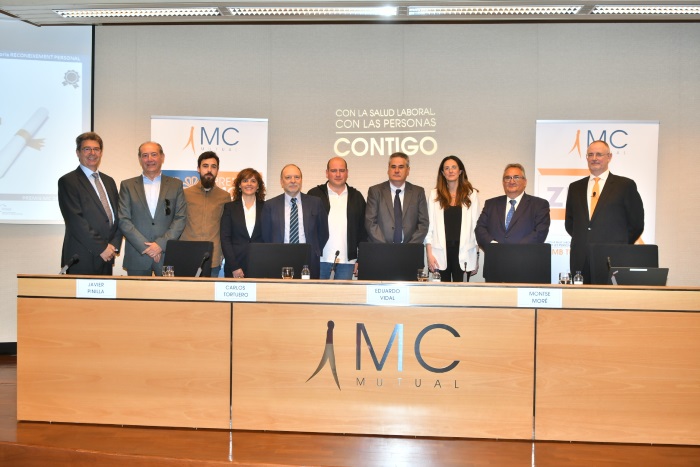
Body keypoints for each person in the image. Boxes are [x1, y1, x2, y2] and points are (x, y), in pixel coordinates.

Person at [565, 140, 644, 283]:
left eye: (599, 154)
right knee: (581, 297)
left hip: (612, 258)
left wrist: (619, 246)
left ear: (609, 157)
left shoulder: (625, 185)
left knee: (609, 297)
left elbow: (636, 223)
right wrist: (586, 239)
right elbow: (570, 223)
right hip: (581, 258)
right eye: (590, 155)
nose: (594, 158)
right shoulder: (575, 187)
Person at [57, 132, 122, 275]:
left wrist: (113, 246)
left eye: (96, 149)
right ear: (78, 153)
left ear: (101, 152)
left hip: (107, 257)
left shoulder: (109, 181)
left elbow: (118, 216)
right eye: (87, 149)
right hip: (81, 257)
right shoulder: (68, 181)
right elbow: (75, 221)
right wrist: (102, 248)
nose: (92, 153)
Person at [118, 141, 187, 276]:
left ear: (162, 157)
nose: (149, 159)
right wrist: (147, 248)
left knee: (168, 291)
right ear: (139, 159)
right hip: (138, 255)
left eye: (154, 154)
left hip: (167, 255)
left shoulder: (176, 185)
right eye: (145, 155)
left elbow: (180, 218)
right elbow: (123, 219)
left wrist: (160, 245)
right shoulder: (127, 185)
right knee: (138, 291)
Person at [261, 164, 329, 279]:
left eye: (297, 177)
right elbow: (266, 235)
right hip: (278, 259)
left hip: (308, 260)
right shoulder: (270, 205)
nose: (293, 181)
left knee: (307, 290)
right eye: (288, 177)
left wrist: (315, 251)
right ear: (281, 182)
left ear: (301, 180)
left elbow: (323, 232)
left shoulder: (315, 203)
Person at [307, 157, 367, 279]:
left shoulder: (356, 196)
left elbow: (363, 231)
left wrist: (361, 258)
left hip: (347, 261)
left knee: (343, 292)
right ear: (327, 173)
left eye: (342, 170)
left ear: (347, 173)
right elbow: (307, 228)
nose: (338, 174)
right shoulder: (314, 194)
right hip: (319, 259)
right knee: (316, 292)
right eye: (334, 170)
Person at [425, 156, 480, 282]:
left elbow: (476, 227)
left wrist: (476, 257)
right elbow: (429, 227)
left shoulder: (471, 194)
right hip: (439, 254)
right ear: (443, 173)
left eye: (454, 167)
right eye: (447, 168)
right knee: (441, 292)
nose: (450, 171)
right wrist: (429, 255)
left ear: (460, 171)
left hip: (465, 253)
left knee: (461, 292)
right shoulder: (434, 195)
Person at [180, 151, 231, 277]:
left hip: (213, 257)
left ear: (217, 170)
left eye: (213, 167)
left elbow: (226, 228)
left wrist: (222, 254)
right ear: (198, 169)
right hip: (187, 255)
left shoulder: (225, 196)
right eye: (205, 166)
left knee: (210, 290)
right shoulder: (184, 194)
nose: (209, 170)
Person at [475, 163, 550, 249]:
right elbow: (480, 229)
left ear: (525, 182)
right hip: (495, 256)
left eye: (516, 177)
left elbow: (540, 232)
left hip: (524, 256)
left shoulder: (539, 205)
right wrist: (494, 247)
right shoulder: (491, 204)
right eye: (507, 178)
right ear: (503, 182)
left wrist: (514, 250)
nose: (511, 181)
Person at [365, 152, 429, 244]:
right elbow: (370, 222)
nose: (396, 170)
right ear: (388, 169)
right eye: (393, 167)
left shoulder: (418, 192)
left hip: (409, 249)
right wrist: (386, 248)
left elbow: (423, 224)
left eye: (401, 167)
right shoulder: (375, 191)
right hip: (381, 248)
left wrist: (409, 247)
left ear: (408, 170)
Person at [220, 168, 266, 278]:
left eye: (253, 181)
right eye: (245, 180)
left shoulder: (266, 207)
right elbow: (225, 239)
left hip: (260, 265)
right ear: (239, 185)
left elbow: (269, 238)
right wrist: (234, 267)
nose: (249, 184)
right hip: (235, 267)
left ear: (258, 186)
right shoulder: (230, 208)